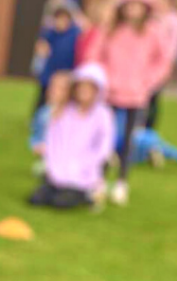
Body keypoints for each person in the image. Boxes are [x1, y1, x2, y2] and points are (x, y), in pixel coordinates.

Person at [85, 0, 175, 205]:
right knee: (104, 137)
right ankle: (99, 179)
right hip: (109, 93)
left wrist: (147, 81)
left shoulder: (152, 32)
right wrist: (103, 78)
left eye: (138, 5)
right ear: (122, 7)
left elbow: (163, 61)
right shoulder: (110, 30)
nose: (133, 10)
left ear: (146, 8)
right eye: (129, 5)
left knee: (128, 140)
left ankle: (122, 181)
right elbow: (94, 55)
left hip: (136, 95)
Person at [29, 62, 116, 210]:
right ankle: (57, 185)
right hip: (58, 171)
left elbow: (103, 145)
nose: (84, 92)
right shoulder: (66, 111)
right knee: (36, 199)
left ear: (97, 90)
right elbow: (54, 137)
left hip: (83, 174)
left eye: (89, 88)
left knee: (61, 203)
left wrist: (84, 164)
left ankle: (88, 193)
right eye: (81, 87)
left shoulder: (102, 115)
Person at [31, 3, 81, 115]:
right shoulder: (50, 33)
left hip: (66, 73)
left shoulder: (75, 34)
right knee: (44, 96)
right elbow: (41, 47)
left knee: (62, 99)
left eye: (64, 19)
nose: (61, 23)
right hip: (49, 72)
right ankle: (37, 118)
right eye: (58, 19)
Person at [147, 0, 177, 131]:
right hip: (147, 63)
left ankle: (149, 128)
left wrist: (167, 64)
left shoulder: (174, 21)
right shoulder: (153, 17)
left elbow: (172, 45)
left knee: (154, 97)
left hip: (162, 63)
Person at [29, 69, 72, 174]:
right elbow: (36, 133)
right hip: (47, 150)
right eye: (52, 87)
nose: (53, 91)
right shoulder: (44, 112)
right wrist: (37, 144)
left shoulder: (72, 115)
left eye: (60, 89)